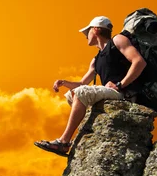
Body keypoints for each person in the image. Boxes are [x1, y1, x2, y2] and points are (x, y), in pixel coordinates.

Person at [34, 15, 147, 157]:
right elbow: (82, 83)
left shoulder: (118, 40)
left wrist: (120, 84)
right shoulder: (96, 59)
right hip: (113, 91)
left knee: (81, 93)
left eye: (87, 32)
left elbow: (139, 62)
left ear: (96, 30)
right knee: (72, 94)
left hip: (125, 93)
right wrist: (64, 83)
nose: (86, 36)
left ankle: (63, 142)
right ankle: (73, 135)